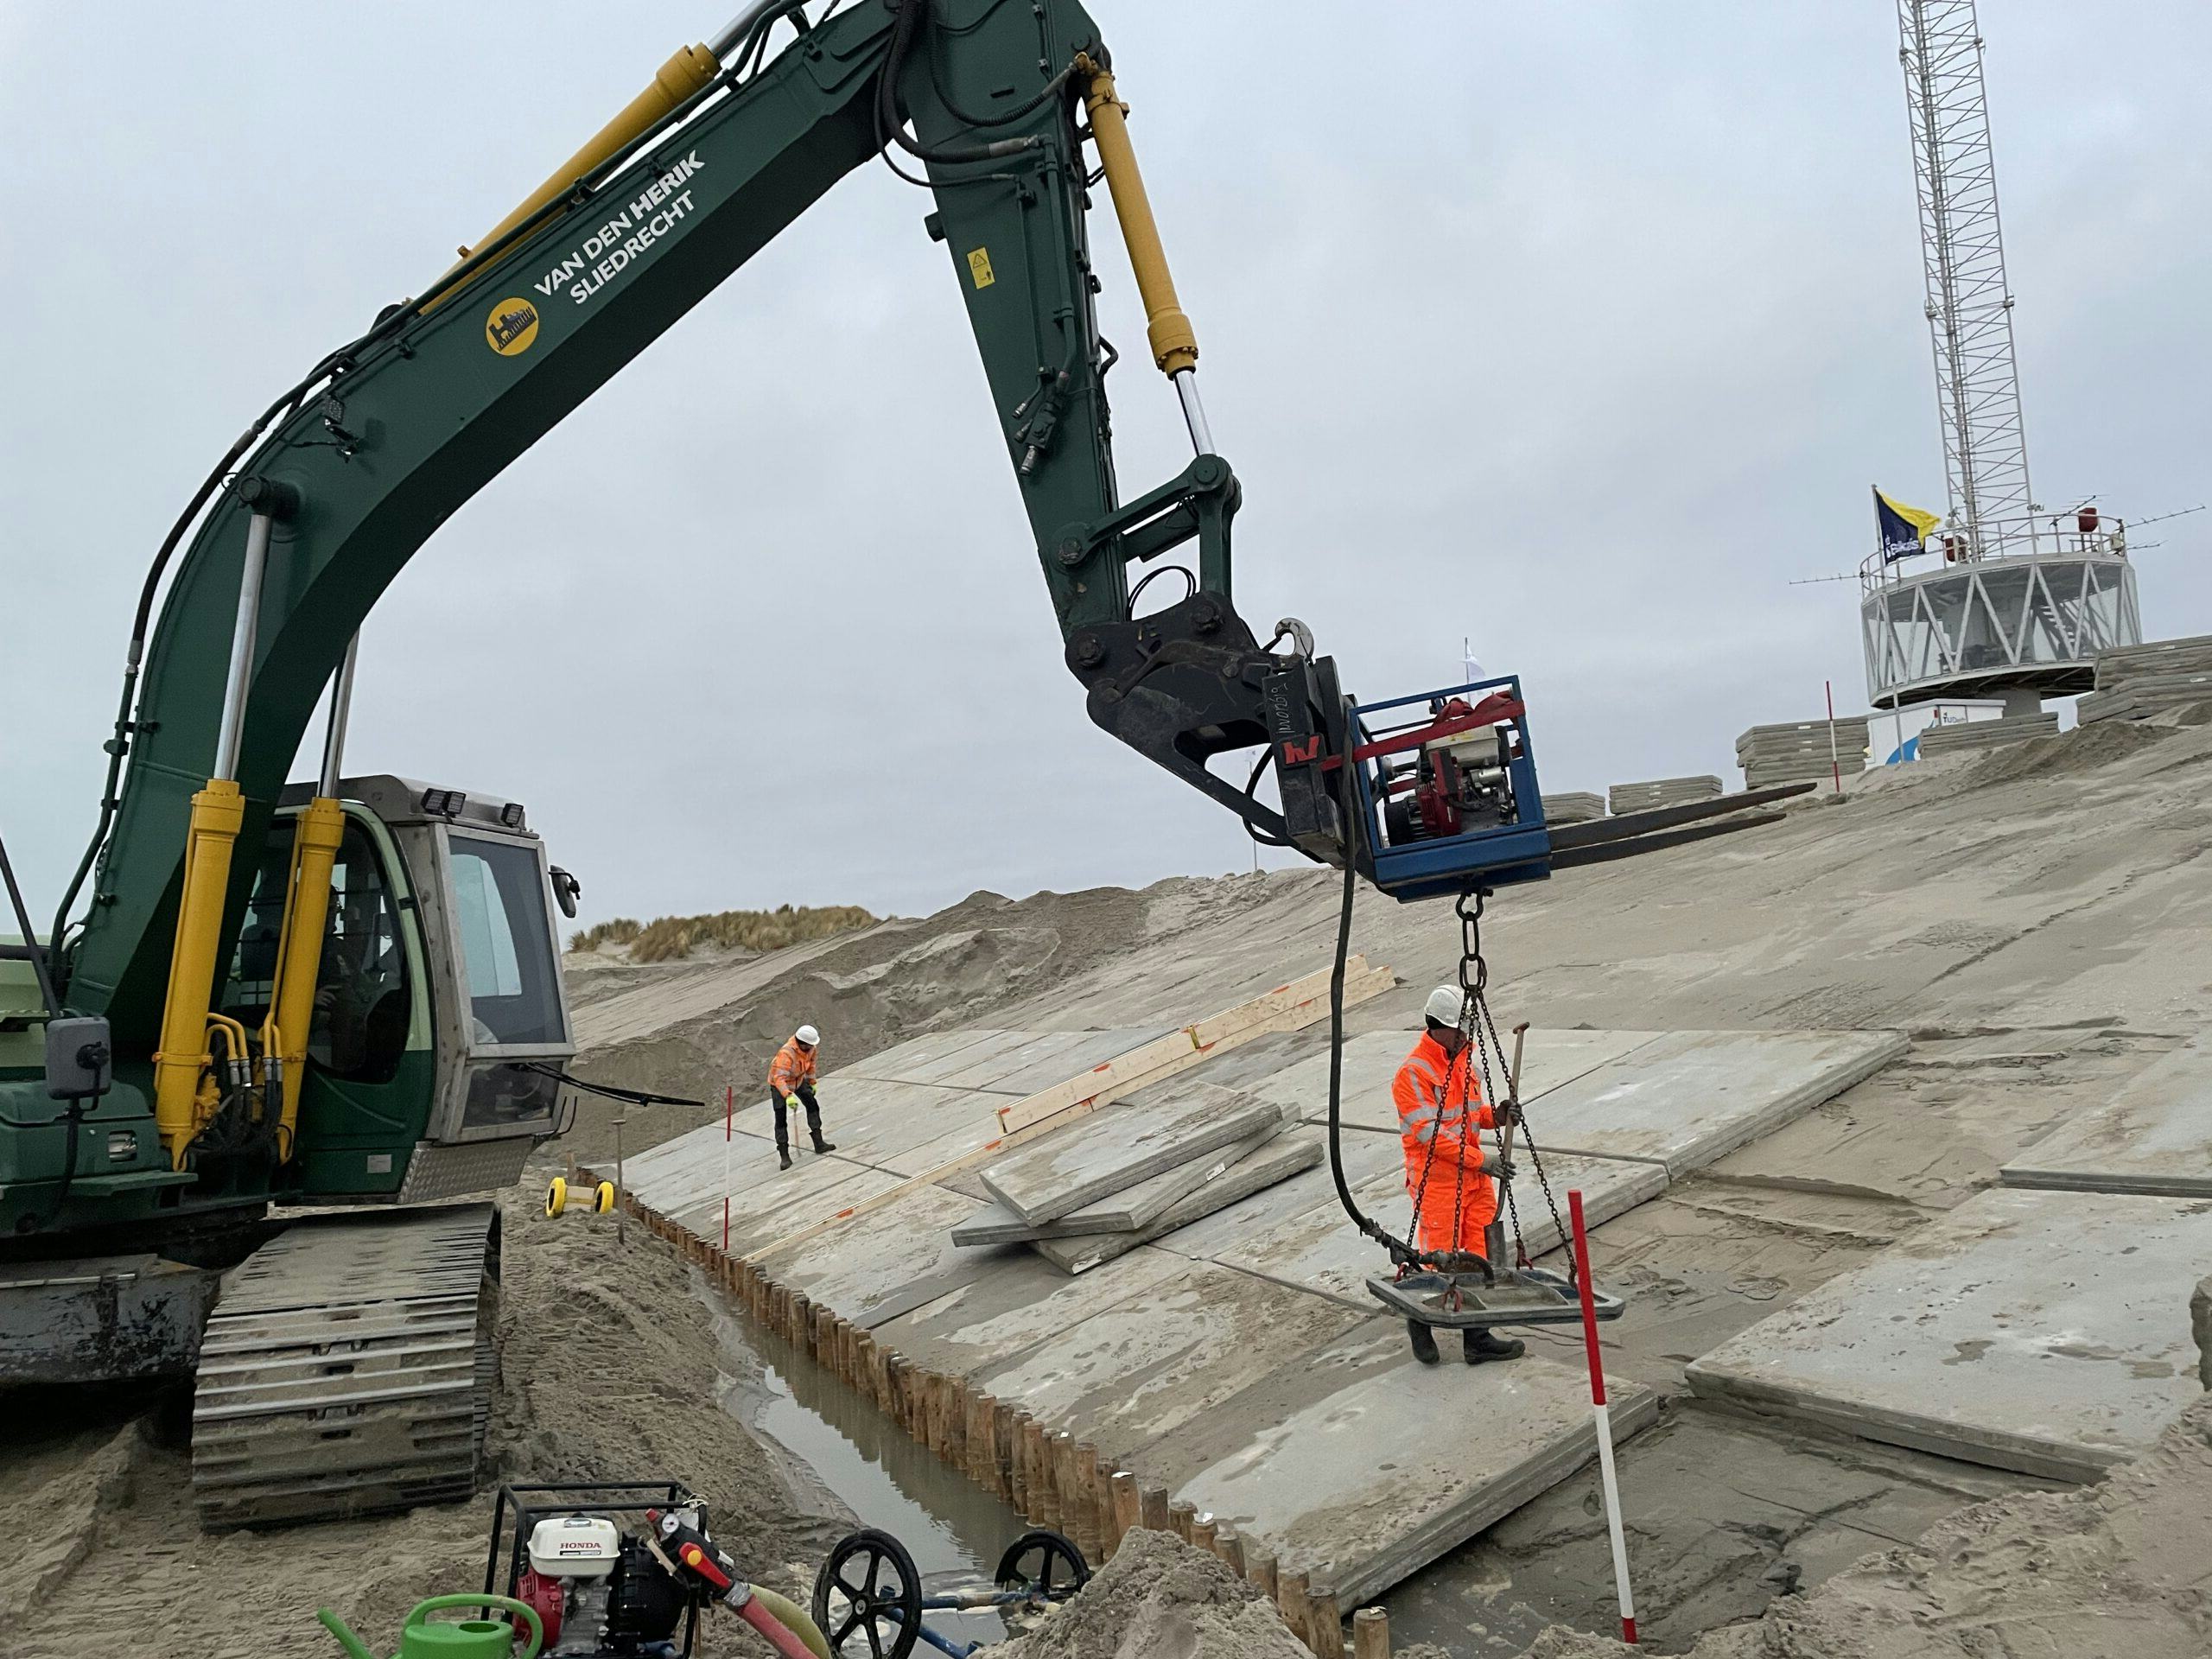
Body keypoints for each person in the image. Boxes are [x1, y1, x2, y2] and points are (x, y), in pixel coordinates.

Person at [1391, 984, 1524, 1367]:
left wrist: (1495, 1117)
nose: (1466, 1036)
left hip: (1473, 1182)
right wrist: (1481, 1160)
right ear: (1436, 1027)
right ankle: (1419, 1320)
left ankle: (1477, 1338)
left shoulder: (1465, 1060)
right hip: (1438, 1185)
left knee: (1478, 1261)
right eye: (1459, 1030)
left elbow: (1471, 1114)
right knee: (1441, 1262)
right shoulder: (1412, 1075)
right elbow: (1432, 1137)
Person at [768, 1023, 835, 1171]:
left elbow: (811, 1065)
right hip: (780, 1085)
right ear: (801, 1042)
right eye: (809, 1045)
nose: (812, 1048)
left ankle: (819, 1143)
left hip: (798, 1080)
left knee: (813, 1105)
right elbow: (779, 1078)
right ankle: (784, 1156)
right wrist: (788, 1095)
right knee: (780, 1118)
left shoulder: (811, 1048)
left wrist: (812, 1082)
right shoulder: (786, 1053)